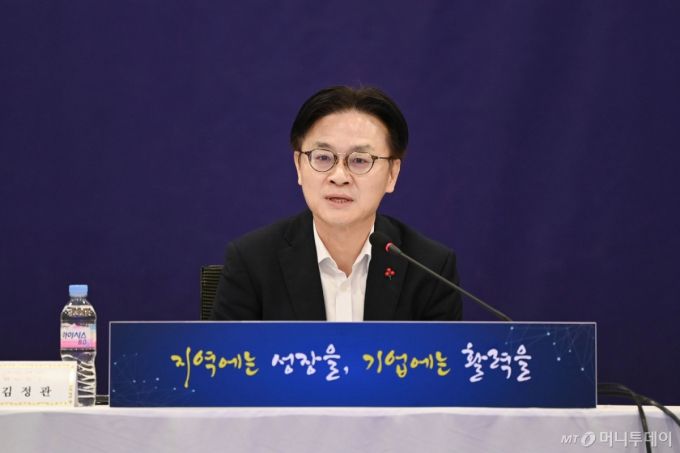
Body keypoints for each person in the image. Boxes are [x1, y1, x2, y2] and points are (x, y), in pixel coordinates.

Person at [211, 86, 462, 321]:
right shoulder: (252, 262)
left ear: (392, 174)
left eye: (360, 160)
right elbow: (229, 354)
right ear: (298, 166)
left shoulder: (430, 269)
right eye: (323, 157)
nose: (339, 176)